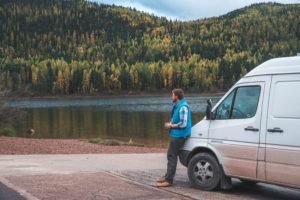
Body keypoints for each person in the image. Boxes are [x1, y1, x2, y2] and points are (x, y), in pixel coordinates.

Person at [157, 88, 191, 187]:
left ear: (176, 97)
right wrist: (171, 123)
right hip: (175, 135)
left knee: (172, 156)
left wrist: (171, 125)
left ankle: (169, 180)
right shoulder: (176, 105)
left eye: (172, 95)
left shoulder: (183, 107)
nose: (171, 97)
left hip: (179, 136)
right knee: (170, 155)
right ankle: (168, 176)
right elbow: (176, 119)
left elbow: (183, 124)